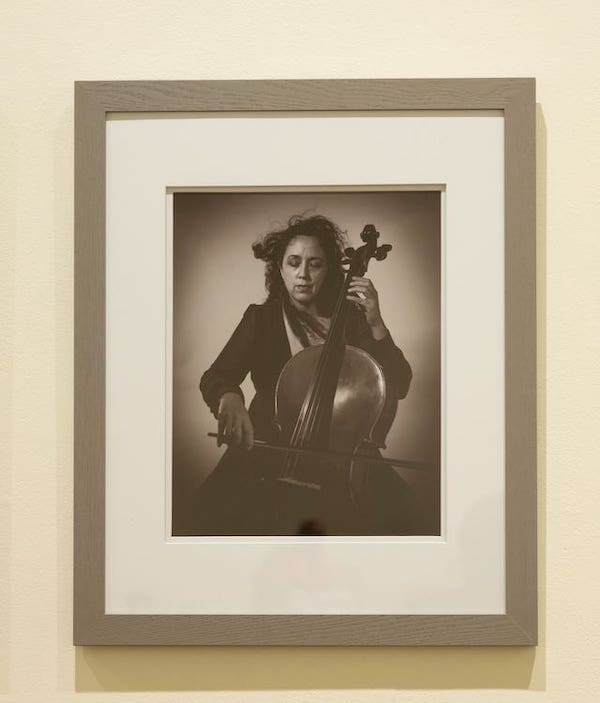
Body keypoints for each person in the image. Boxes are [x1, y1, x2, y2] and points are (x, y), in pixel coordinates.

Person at [196, 214, 415, 536]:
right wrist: (229, 398)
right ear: (279, 268)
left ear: (329, 270)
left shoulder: (352, 322)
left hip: (342, 457)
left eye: (315, 264)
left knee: (405, 522)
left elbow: (401, 384)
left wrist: (377, 324)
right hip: (269, 451)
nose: (303, 275)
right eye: (294, 262)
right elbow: (216, 376)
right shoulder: (263, 319)